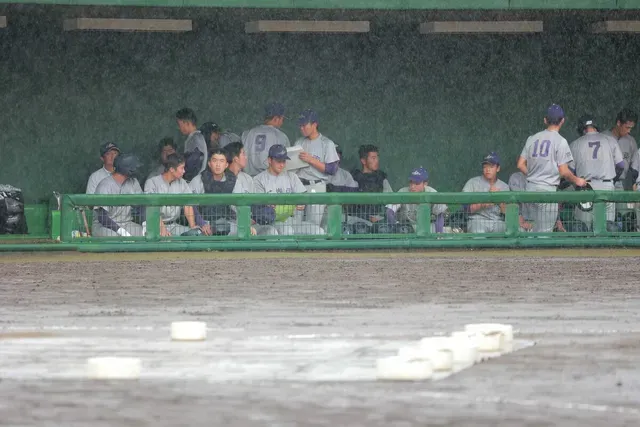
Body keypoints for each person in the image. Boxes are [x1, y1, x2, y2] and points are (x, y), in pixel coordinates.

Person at [517, 104, 586, 233]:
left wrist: (534, 175)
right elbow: (564, 171)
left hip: (530, 190)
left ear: (545, 120)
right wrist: (577, 180)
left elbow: (520, 164)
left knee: (532, 230)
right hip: (547, 191)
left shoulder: (532, 138)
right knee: (543, 234)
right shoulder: (560, 141)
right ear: (562, 121)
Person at [569, 115, 624, 232]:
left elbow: (570, 171)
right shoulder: (610, 140)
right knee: (607, 226)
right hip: (607, 186)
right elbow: (621, 166)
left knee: (583, 228)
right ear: (596, 127)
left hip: (585, 188)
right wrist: (612, 181)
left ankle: (583, 250)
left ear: (582, 129)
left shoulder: (575, 144)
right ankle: (607, 250)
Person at [253, 145, 324, 235]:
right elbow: (259, 208)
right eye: (278, 161)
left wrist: (301, 202)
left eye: (283, 161)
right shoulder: (258, 179)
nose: (282, 164)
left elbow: (303, 197)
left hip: (291, 220)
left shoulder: (292, 176)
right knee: (286, 231)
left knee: (319, 232)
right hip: (271, 222)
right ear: (269, 160)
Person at [145, 153, 210, 237]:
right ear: (172, 169)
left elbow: (188, 205)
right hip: (154, 225)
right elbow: (152, 209)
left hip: (174, 225)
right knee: (163, 240)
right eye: (182, 168)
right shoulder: (152, 182)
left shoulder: (181, 182)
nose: (184, 171)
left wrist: (193, 226)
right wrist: (162, 228)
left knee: (196, 234)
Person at [293, 109, 340, 226]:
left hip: (316, 185)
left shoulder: (326, 143)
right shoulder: (299, 142)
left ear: (314, 124)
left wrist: (311, 160)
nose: (301, 128)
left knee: (312, 225)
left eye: (304, 125)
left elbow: (332, 169)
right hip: (299, 185)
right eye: (300, 125)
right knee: (294, 223)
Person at [189, 148, 248, 236]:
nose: (218, 165)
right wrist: (202, 223)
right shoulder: (199, 180)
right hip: (205, 224)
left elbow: (241, 205)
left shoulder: (233, 181)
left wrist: (246, 224)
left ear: (226, 165)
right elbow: (190, 205)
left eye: (221, 161)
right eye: (215, 161)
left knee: (243, 233)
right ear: (209, 163)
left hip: (228, 223)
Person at [224, 142, 278, 235]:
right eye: (243, 154)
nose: (246, 157)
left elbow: (255, 202)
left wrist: (265, 204)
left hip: (250, 222)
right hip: (231, 224)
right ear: (235, 159)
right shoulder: (222, 178)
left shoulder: (247, 178)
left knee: (271, 231)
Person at [602, 108, 638, 230]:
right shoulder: (603, 137)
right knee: (606, 219)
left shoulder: (631, 141)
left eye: (631, 128)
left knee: (627, 217)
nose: (628, 131)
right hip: (605, 183)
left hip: (621, 185)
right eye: (627, 127)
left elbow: (634, 168)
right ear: (618, 123)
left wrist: (631, 187)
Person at [92, 154, 144, 237]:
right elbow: (102, 218)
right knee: (114, 237)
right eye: (134, 167)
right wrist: (120, 231)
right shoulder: (105, 185)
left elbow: (141, 206)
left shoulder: (133, 182)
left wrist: (144, 223)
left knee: (145, 234)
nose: (137, 170)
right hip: (104, 227)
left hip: (127, 224)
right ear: (126, 169)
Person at [349, 144, 395, 233]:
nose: (377, 160)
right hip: (357, 219)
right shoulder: (354, 178)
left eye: (377, 157)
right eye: (373, 158)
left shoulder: (381, 178)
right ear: (363, 160)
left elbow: (391, 201)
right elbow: (350, 206)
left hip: (379, 218)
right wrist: (367, 217)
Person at [462, 152, 510, 233]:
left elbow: (507, 213)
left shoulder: (504, 186)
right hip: (477, 220)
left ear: (498, 168)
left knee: (506, 233)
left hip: (497, 221)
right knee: (479, 233)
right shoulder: (472, 182)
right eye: (485, 167)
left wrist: (499, 200)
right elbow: (465, 208)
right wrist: (484, 202)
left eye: (491, 166)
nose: (488, 169)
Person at [242, 102, 291, 176]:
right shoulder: (280, 136)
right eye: (282, 119)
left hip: (250, 180)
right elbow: (286, 163)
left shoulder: (249, 133)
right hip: (270, 180)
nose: (282, 123)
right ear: (276, 119)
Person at [393, 167, 448, 233]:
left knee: (445, 231)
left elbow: (440, 214)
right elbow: (389, 211)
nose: (412, 186)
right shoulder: (402, 191)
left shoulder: (432, 193)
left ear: (425, 184)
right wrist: (395, 224)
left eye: (416, 183)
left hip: (425, 227)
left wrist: (439, 235)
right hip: (405, 228)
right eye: (411, 182)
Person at [176, 107, 207, 180]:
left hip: (194, 180)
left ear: (187, 123)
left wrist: (185, 176)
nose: (179, 128)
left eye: (179, 124)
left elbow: (194, 162)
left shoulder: (195, 138)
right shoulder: (194, 137)